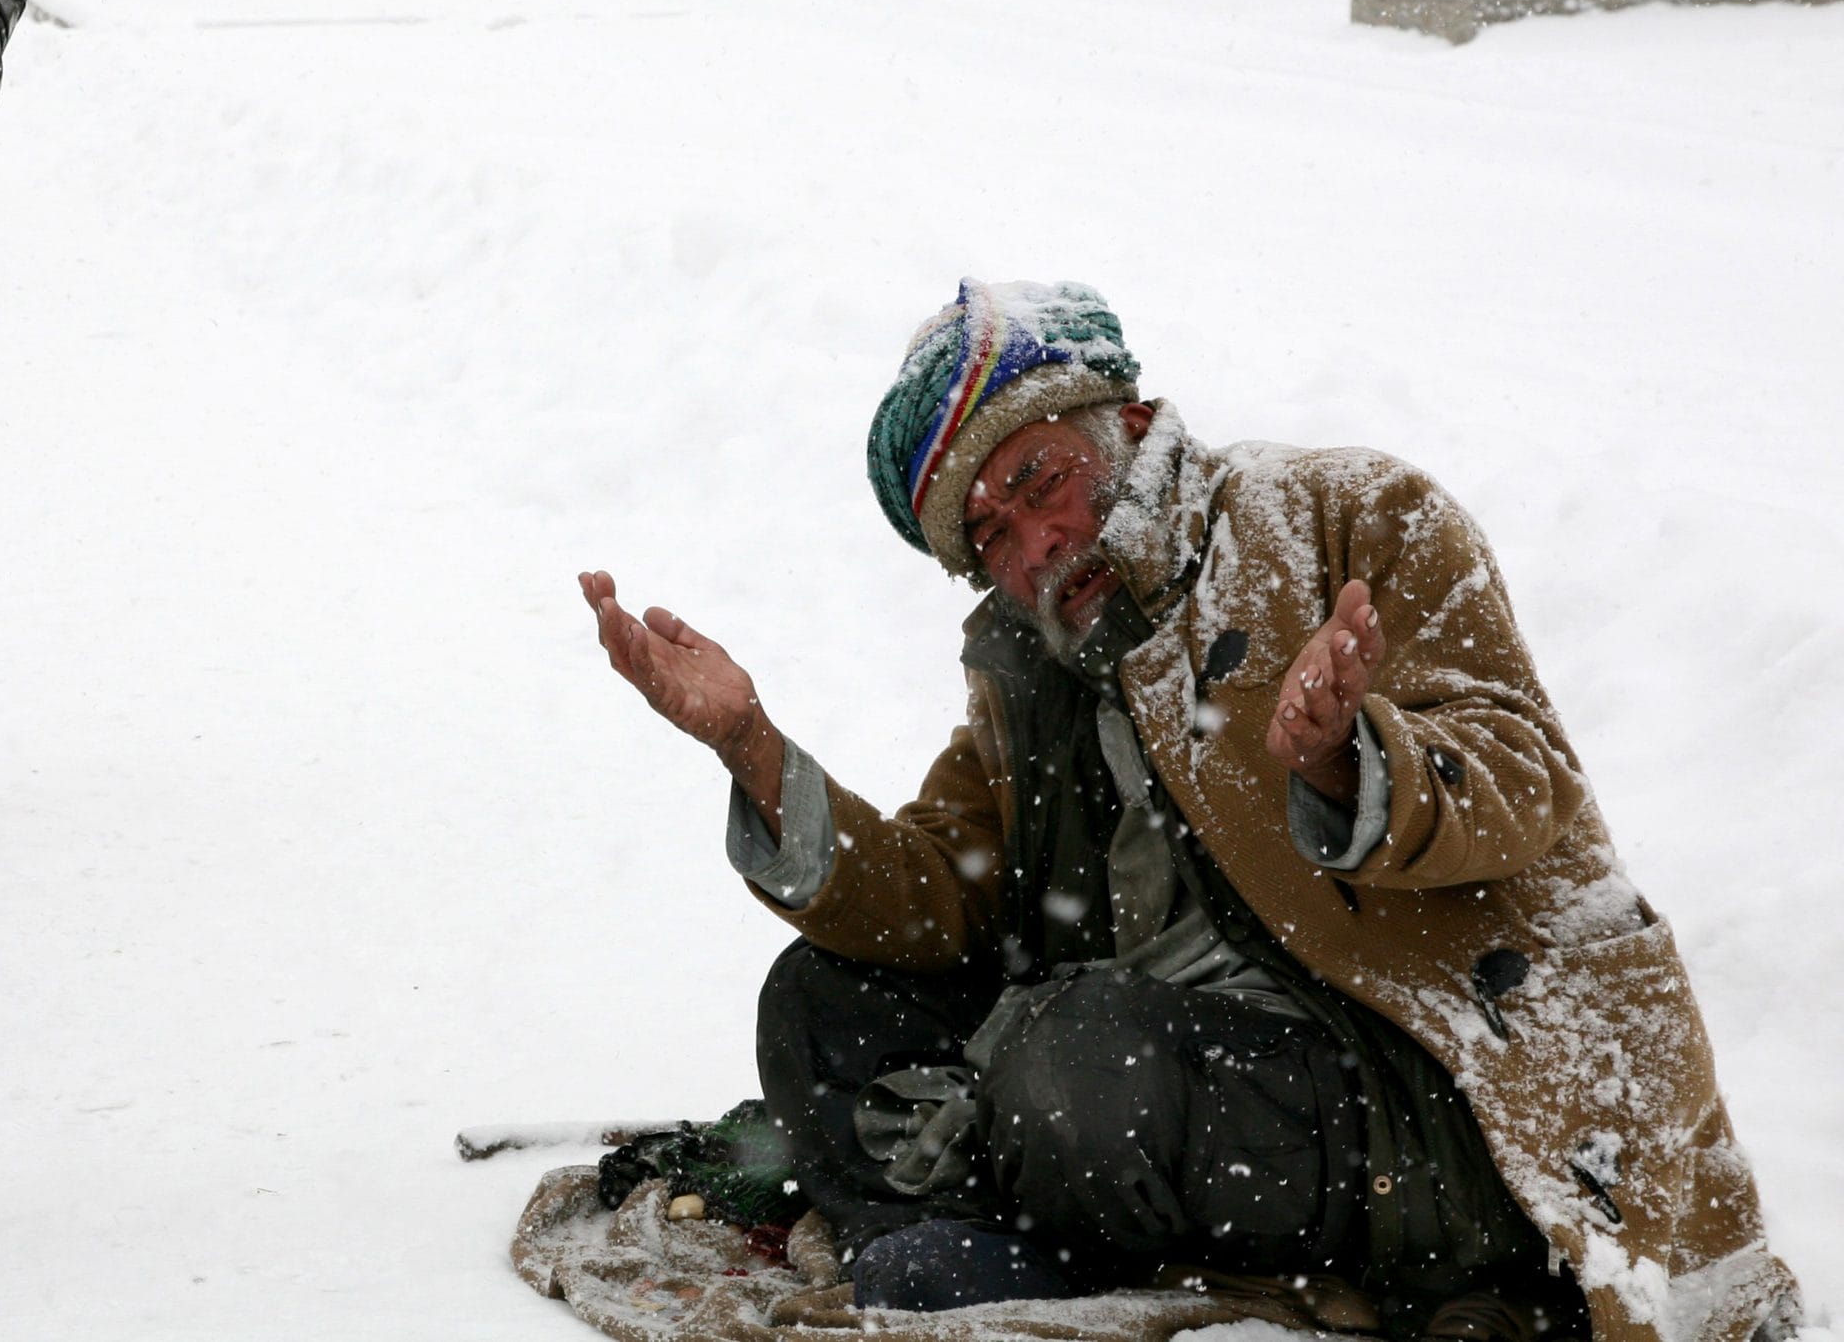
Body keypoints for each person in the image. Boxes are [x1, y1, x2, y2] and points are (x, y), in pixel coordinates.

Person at [582, 280, 1798, 1342]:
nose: (1036, 544)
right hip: (1193, 1087)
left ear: (1130, 421)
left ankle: (1007, 1199)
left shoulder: (1348, 514)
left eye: (1041, 479)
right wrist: (753, 752)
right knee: (820, 998)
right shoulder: (1036, 665)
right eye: (989, 536)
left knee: (1079, 1060)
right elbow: (934, 896)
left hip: (1448, 1104)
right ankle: (984, 1251)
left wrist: (1349, 764)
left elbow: (1524, 779)